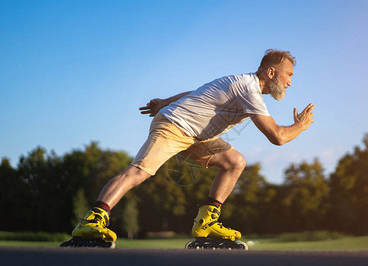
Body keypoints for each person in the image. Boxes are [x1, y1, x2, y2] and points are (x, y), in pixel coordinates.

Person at [71, 49, 315, 243]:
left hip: (197, 137)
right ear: (272, 73)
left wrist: (166, 100)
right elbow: (277, 136)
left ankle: (206, 223)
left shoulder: (245, 86)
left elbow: (197, 93)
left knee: (234, 162)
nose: (290, 82)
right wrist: (301, 126)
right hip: (174, 126)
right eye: (289, 75)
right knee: (139, 172)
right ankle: (92, 220)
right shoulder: (249, 89)